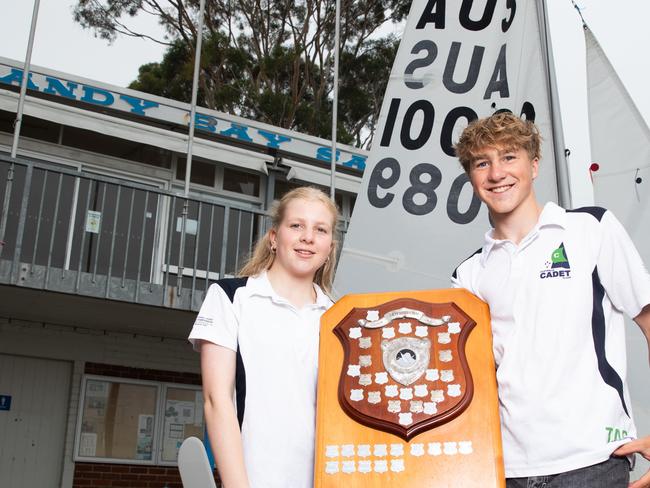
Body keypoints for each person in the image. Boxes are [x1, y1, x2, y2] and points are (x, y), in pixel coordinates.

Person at [451, 112, 650, 487]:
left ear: (535, 165)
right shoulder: (467, 275)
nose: (496, 173)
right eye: (482, 162)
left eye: (509, 157)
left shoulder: (590, 229)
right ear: (472, 177)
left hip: (594, 461)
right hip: (505, 471)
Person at [188, 187, 340, 488]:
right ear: (274, 237)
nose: (307, 237)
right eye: (296, 225)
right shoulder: (230, 297)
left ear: (329, 249)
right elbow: (216, 401)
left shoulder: (340, 318)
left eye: (320, 230)